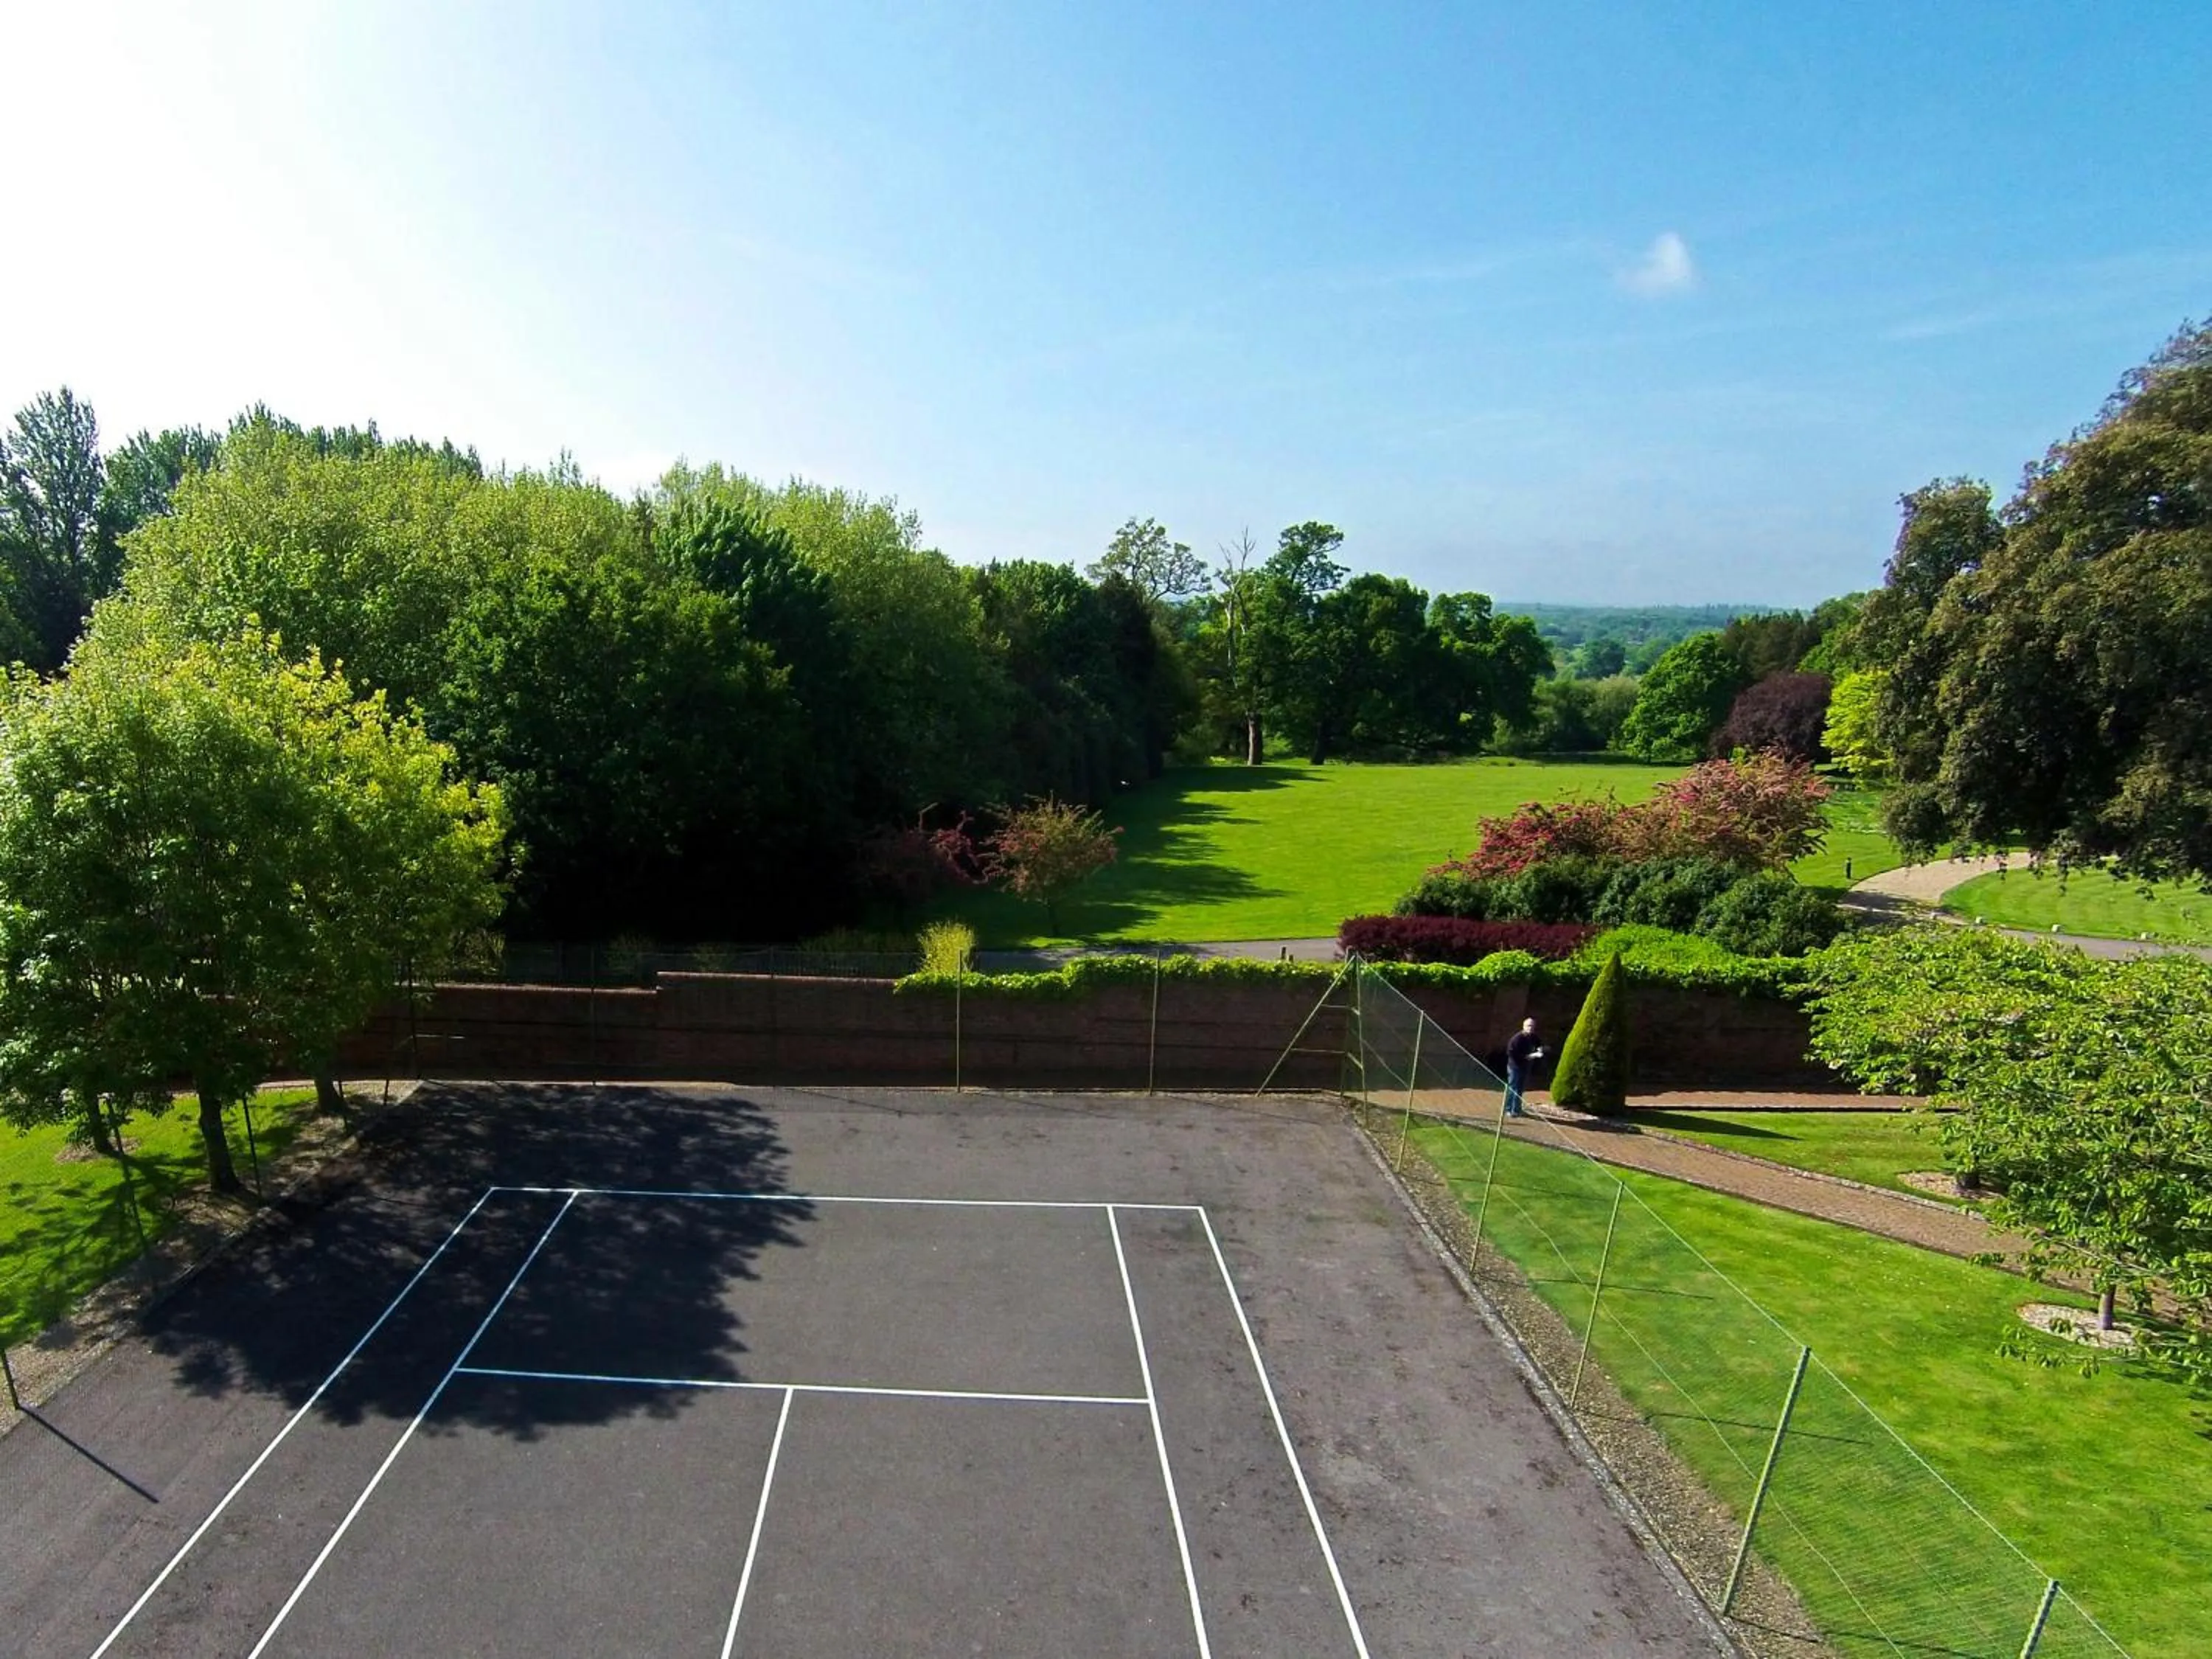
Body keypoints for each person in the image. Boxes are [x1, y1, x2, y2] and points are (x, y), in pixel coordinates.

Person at [1504, 1017, 1543, 1119]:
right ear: (1524, 1026)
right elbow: (1511, 1053)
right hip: (1514, 1067)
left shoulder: (1533, 1036)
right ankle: (1508, 1109)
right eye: (1529, 1026)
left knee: (1520, 1088)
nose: (1531, 1028)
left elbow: (1538, 1043)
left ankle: (1517, 1109)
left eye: (1533, 1026)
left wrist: (1540, 1049)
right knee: (1513, 1088)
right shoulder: (1517, 1039)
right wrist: (1532, 1056)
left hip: (1525, 1067)